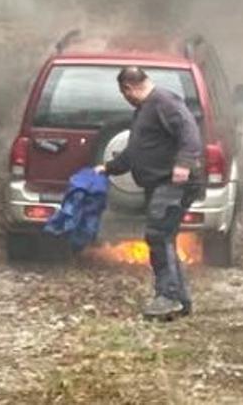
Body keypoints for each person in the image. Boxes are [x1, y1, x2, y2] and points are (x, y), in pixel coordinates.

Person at [96, 66, 204, 320]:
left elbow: (190, 132)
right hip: (159, 183)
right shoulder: (146, 110)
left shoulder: (164, 102)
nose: (126, 98)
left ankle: (167, 297)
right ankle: (180, 299)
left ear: (128, 88)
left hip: (174, 183)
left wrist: (184, 164)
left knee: (158, 235)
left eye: (124, 94)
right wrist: (109, 168)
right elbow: (136, 151)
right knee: (164, 237)